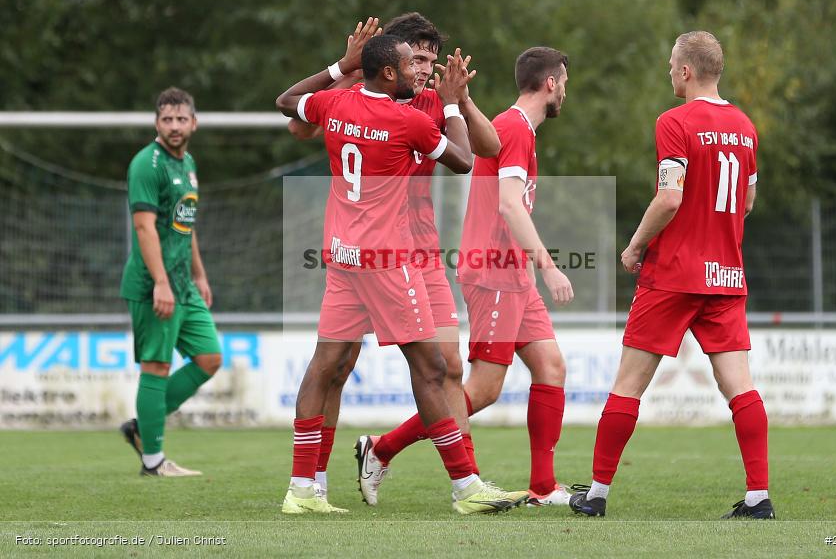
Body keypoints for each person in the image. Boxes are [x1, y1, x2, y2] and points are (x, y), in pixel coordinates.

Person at [275, 34, 527, 514]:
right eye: (412, 62)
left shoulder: (336, 102)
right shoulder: (405, 119)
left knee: (324, 366)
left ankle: (302, 489)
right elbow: (463, 161)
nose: (421, 70)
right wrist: (452, 106)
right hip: (387, 261)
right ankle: (465, 488)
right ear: (389, 72)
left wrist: (338, 66)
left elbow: (286, 102)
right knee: (432, 370)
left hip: (343, 255)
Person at [569, 31, 773, 519]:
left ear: (685, 71)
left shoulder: (675, 121)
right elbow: (746, 201)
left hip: (674, 274)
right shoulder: (745, 127)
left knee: (628, 385)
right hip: (724, 276)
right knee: (740, 388)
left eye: (670, 66)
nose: (668, 73)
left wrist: (636, 245)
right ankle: (758, 498)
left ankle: (595, 495)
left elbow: (670, 196)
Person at [360, 46, 575, 507]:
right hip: (495, 272)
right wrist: (550, 265)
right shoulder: (514, 129)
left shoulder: (513, 128)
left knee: (551, 366)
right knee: (481, 391)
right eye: (565, 84)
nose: (565, 94)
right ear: (551, 84)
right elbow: (508, 204)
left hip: (513, 272)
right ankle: (382, 448)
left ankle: (542, 487)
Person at [118, 88, 223, 477]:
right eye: (167, 119)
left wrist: (199, 273)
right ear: (157, 123)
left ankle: (143, 425)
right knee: (157, 366)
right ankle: (154, 462)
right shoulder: (147, 164)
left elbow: (185, 221)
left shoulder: (189, 163)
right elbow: (144, 227)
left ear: (193, 123)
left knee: (210, 358)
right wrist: (160, 282)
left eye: (181, 119)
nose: (174, 126)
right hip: (153, 284)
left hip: (183, 282)